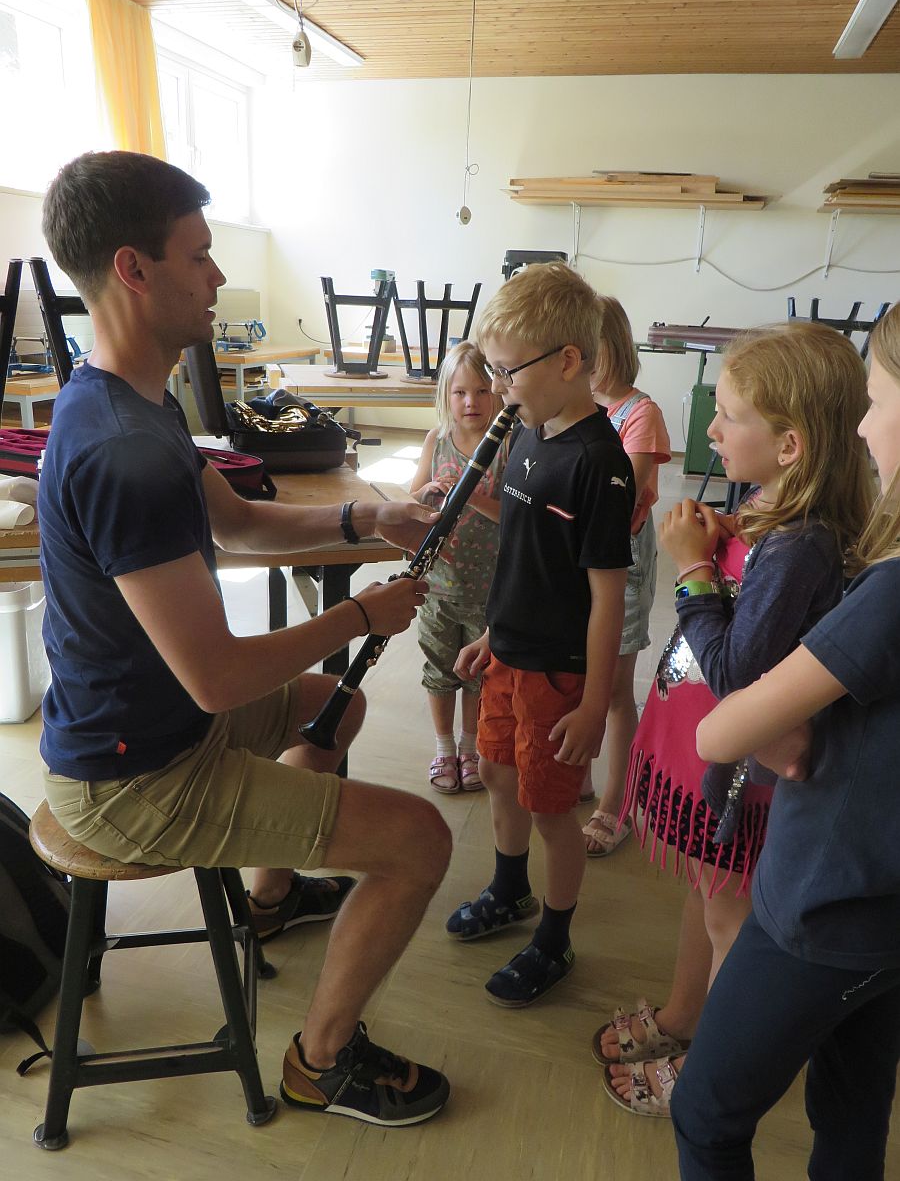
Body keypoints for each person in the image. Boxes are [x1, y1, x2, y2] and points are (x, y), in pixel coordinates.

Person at [38, 150, 452, 1127]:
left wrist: (368, 517)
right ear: (134, 269)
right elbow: (218, 678)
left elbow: (236, 524)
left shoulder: (131, 398)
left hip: (149, 731)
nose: (219, 275)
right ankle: (322, 1061)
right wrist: (359, 615)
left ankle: (271, 895)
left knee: (332, 706)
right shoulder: (123, 451)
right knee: (421, 841)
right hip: (133, 781)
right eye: (200, 255)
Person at [598, 322, 873, 1118]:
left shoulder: (800, 543)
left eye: (727, 414)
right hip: (720, 766)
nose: (711, 429)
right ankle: (684, 1016)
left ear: (790, 444)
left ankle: (704, 1073)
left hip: (747, 776)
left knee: (728, 918)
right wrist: (725, 541)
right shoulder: (772, 508)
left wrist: (692, 568)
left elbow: (736, 673)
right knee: (705, 894)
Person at [674, 302, 900, 1179]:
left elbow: (723, 726)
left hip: (825, 903)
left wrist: (696, 577)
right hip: (875, 901)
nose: (863, 427)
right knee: (850, 1112)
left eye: (877, 400)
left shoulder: (889, 587)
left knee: (705, 1114)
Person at [448, 262, 635, 1006]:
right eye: (492, 370)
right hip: (509, 652)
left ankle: (555, 939)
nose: (498, 389)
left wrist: (593, 704)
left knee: (553, 810)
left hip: (559, 672)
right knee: (497, 774)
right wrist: (494, 633)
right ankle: (509, 889)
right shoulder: (527, 432)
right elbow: (523, 552)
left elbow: (607, 595)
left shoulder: (600, 464)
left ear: (568, 361)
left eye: (508, 371)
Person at [580, 295, 671, 855]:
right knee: (578, 675)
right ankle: (581, 779)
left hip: (623, 562)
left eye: (587, 348)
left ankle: (617, 803)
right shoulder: (576, 408)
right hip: (575, 561)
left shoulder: (640, 413)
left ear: (610, 347)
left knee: (614, 689)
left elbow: (621, 498)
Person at [407, 341, 508, 794]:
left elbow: (514, 515)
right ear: (446, 395)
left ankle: (471, 746)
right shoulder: (437, 440)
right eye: (460, 392)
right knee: (439, 669)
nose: (472, 402)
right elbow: (412, 497)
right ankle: (444, 746)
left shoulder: (507, 443)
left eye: (482, 391)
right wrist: (430, 490)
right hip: (438, 585)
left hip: (489, 587)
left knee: (478, 673)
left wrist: (471, 495)